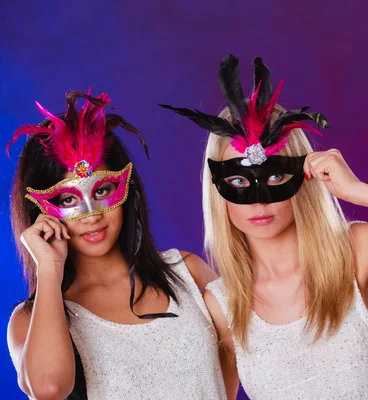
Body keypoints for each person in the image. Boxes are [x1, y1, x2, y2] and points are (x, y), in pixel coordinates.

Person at [161, 55, 368, 399]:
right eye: (237, 181)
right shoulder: (223, 306)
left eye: (277, 175)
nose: (259, 201)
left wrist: (357, 191)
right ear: (217, 191)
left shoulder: (358, 253)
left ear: (302, 175)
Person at [6, 91, 226, 399]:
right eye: (68, 200)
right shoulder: (31, 320)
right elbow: (49, 388)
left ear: (126, 189)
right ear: (40, 212)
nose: (91, 216)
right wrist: (49, 268)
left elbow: (241, 352)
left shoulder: (188, 274)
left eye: (102, 191)